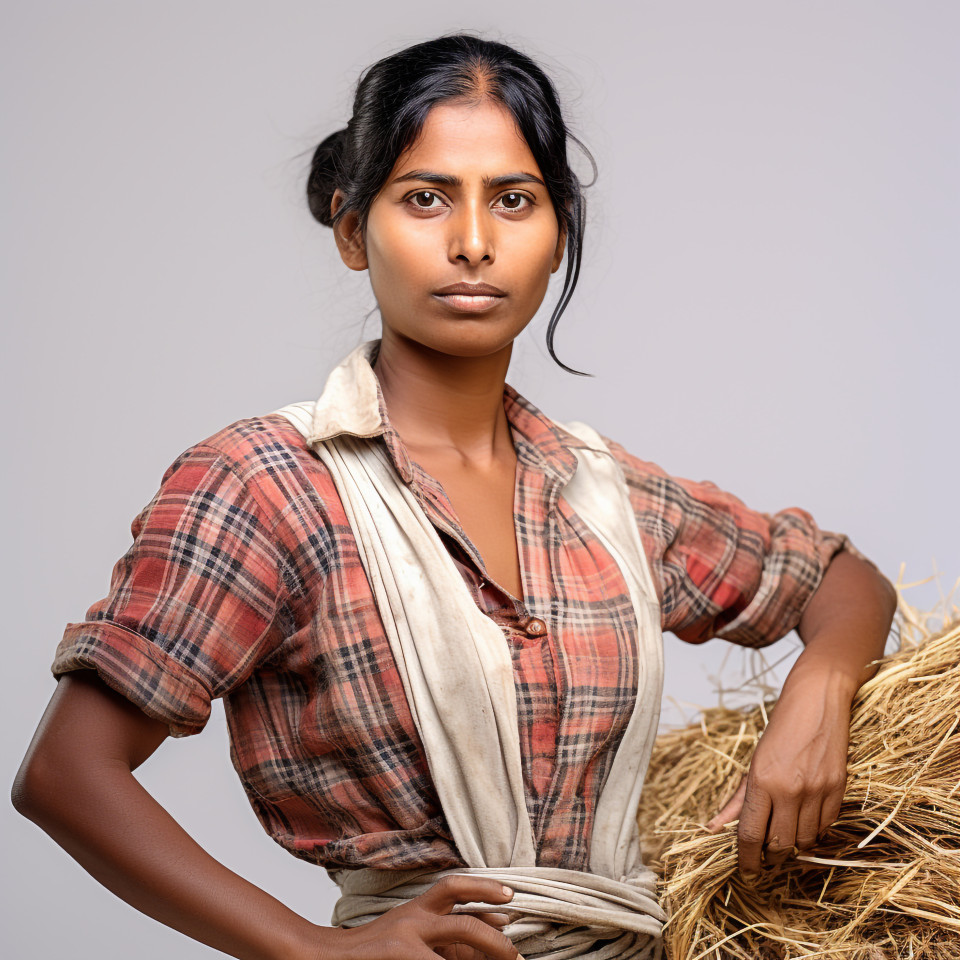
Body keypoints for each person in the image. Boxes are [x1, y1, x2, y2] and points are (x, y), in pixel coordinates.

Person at [12, 32, 896, 960]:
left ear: (557, 238)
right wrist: (316, 950)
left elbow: (841, 581)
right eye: (425, 198)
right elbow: (67, 775)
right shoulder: (267, 486)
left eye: (513, 201)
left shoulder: (606, 494)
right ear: (354, 231)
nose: (473, 243)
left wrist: (821, 689)